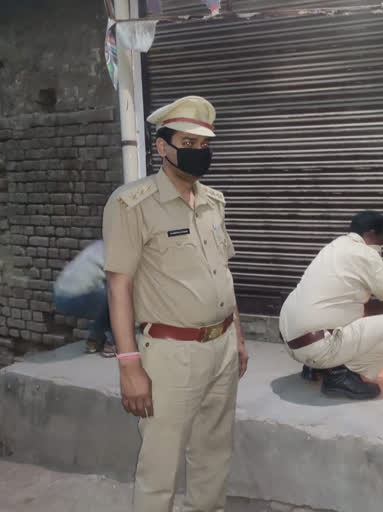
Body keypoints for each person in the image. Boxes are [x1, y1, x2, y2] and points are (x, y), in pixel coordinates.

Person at [102, 95, 248, 512]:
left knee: (213, 456)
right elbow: (119, 286)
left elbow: (223, 274)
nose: (198, 152)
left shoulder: (212, 201)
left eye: (204, 145)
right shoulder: (133, 204)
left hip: (220, 348)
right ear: (163, 146)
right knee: (159, 467)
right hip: (170, 354)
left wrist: (236, 336)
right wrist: (129, 364)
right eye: (188, 142)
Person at [279, 210, 383, 400]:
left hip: (291, 343)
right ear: (370, 234)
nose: (381, 247)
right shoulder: (365, 254)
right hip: (316, 347)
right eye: (381, 241)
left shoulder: (335, 246)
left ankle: (317, 367)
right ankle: (340, 376)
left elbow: (360, 305)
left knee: (351, 316)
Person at [53, 240, 116, 357]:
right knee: (119, 297)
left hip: (59, 295)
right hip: (76, 298)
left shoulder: (99, 244)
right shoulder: (119, 250)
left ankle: (93, 341)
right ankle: (112, 343)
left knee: (106, 299)